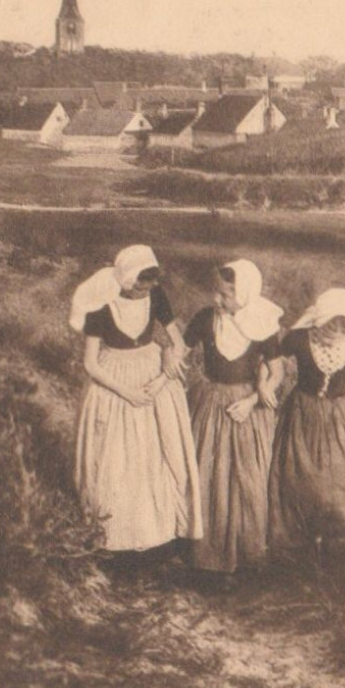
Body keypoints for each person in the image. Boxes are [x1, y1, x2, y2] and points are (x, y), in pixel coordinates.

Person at [70, 245, 202, 553]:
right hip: (114, 379)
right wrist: (126, 392)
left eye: (152, 283)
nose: (148, 290)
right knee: (115, 461)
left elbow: (179, 344)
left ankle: (157, 535)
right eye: (142, 284)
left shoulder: (156, 297)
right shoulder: (101, 306)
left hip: (153, 376)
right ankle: (113, 538)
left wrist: (164, 369)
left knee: (157, 454)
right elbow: (90, 364)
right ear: (127, 278)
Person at [183, 259, 284, 578]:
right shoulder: (205, 319)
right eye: (216, 292)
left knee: (247, 479)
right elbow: (179, 350)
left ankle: (246, 555)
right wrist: (167, 366)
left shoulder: (262, 325)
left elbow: (277, 369)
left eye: (226, 294)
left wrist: (257, 396)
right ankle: (207, 558)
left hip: (245, 408)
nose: (218, 299)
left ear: (245, 294)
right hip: (211, 402)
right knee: (207, 474)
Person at [266, 288, 345, 558]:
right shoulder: (302, 338)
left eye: (340, 333)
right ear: (319, 322)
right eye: (328, 331)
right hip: (303, 412)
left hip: (340, 415)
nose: (333, 338)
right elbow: (272, 356)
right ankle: (298, 538)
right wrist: (263, 383)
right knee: (298, 473)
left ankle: (336, 538)